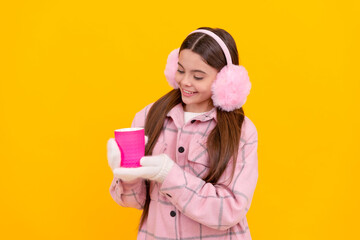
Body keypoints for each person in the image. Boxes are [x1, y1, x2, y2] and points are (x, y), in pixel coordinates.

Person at [107, 27, 258, 240]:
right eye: (180, 70)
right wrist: (126, 177)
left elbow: (230, 209)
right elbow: (135, 201)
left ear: (226, 81)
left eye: (198, 76)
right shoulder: (149, 116)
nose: (185, 82)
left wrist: (169, 175)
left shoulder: (242, 131)